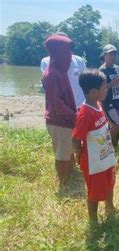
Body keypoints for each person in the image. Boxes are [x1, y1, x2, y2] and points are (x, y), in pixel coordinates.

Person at [72, 69, 117, 224]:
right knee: (95, 191)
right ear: (93, 92)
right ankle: (93, 220)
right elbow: (77, 139)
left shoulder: (98, 104)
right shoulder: (84, 114)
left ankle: (110, 206)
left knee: (110, 182)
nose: (107, 89)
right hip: (93, 162)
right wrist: (79, 155)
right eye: (104, 88)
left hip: (106, 155)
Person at [42, 34, 77, 191]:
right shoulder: (52, 75)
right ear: (58, 53)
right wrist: (75, 116)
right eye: (66, 51)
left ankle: (70, 177)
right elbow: (57, 105)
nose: (69, 55)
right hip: (59, 122)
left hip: (65, 121)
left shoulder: (59, 71)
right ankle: (64, 184)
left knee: (68, 152)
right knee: (62, 155)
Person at [40, 33, 87, 110]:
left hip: (80, 104)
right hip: (61, 107)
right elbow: (49, 88)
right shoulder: (46, 62)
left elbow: (86, 83)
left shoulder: (79, 60)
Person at [99, 44, 119, 147]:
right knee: (118, 124)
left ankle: (113, 146)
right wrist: (113, 82)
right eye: (110, 54)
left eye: (114, 54)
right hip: (108, 101)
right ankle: (103, 142)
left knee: (117, 125)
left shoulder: (117, 68)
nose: (113, 57)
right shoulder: (102, 70)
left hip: (118, 100)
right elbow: (101, 88)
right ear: (104, 55)